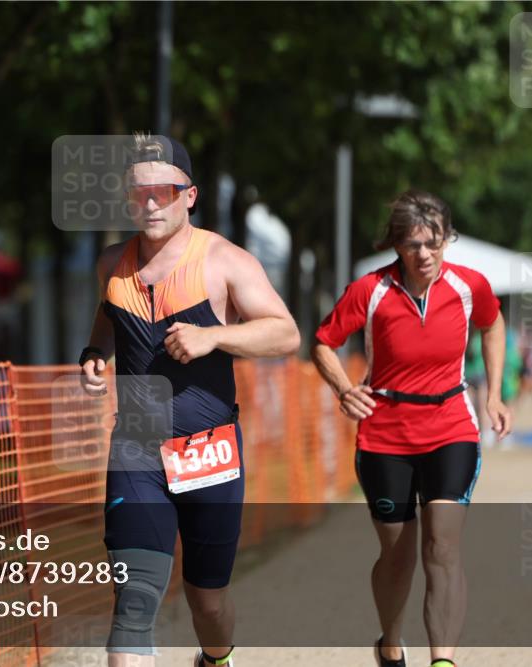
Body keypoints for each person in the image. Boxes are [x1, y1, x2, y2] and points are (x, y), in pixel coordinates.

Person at [79, 134, 300, 667]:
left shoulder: (224, 261)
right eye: (139, 193)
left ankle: (216, 659)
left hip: (210, 452)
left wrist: (215, 337)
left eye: (164, 191)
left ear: (190, 196)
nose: (151, 203)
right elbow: (109, 318)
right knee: (134, 604)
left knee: (209, 601)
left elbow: (286, 335)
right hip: (136, 451)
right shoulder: (113, 262)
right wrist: (95, 352)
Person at [312, 190, 512, 667]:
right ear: (396, 245)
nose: (424, 254)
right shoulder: (371, 290)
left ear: (448, 239)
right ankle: (391, 643)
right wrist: (343, 389)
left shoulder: (470, 286)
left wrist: (495, 393)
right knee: (398, 554)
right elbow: (323, 342)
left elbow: (494, 324)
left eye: (434, 242)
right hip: (385, 433)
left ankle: (443, 659)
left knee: (442, 544)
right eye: (413, 244)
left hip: (450, 427)